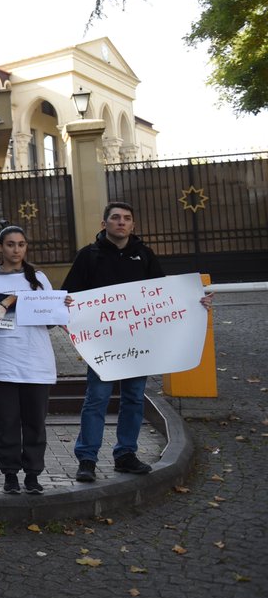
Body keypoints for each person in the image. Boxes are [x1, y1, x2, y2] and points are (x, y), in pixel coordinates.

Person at [62, 201, 212, 482]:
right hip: (103, 346)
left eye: (127, 218)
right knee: (97, 400)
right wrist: (67, 307)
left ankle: (126, 455)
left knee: (133, 399)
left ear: (133, 225)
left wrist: (196, 301)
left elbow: (165, 297)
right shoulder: (89, 256)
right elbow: (68, 296)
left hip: (139, 346)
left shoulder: (144, 256)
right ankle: (87, 459)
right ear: (104, 223)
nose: (121, 222)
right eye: (115, 217)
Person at [0, 226, 68, 495]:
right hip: (0, 363)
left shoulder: (37, 278)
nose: (16, 249)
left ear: (26, 247)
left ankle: (33, 474)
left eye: (21, 244)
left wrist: (61, 307)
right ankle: (10, 474)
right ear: (0, 247)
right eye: (11, 244)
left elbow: (50, 321)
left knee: (35, 424)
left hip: (36, 363)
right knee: (7, 423)